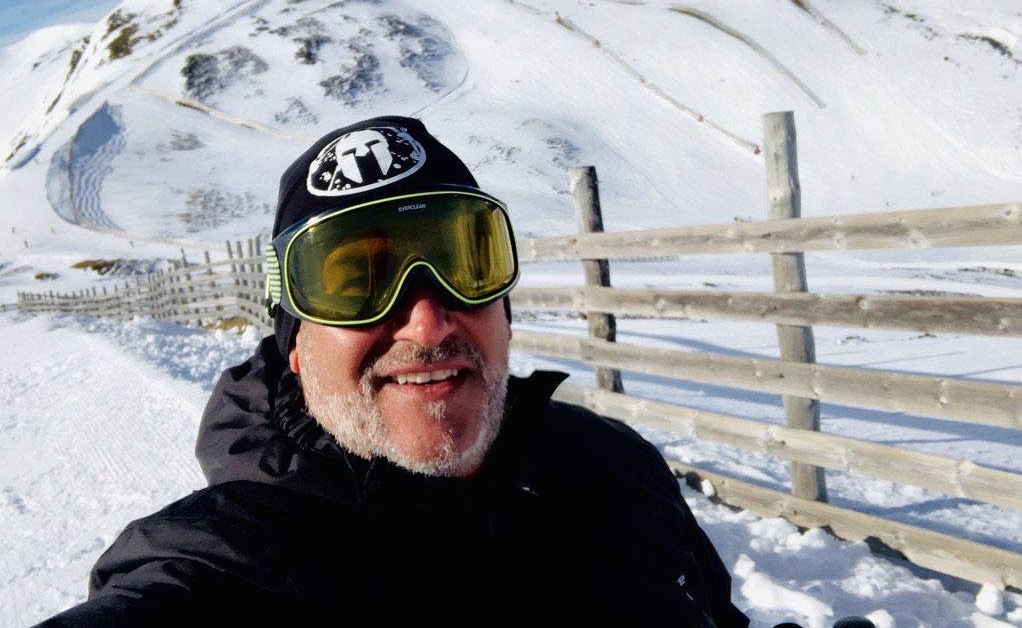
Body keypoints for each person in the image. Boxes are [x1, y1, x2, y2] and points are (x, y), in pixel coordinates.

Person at [39, 116, 750, 626]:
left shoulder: (609, 468)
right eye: (355, 282)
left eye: (465, 263)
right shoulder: (242, 560)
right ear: (294, 343)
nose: (428, 322)